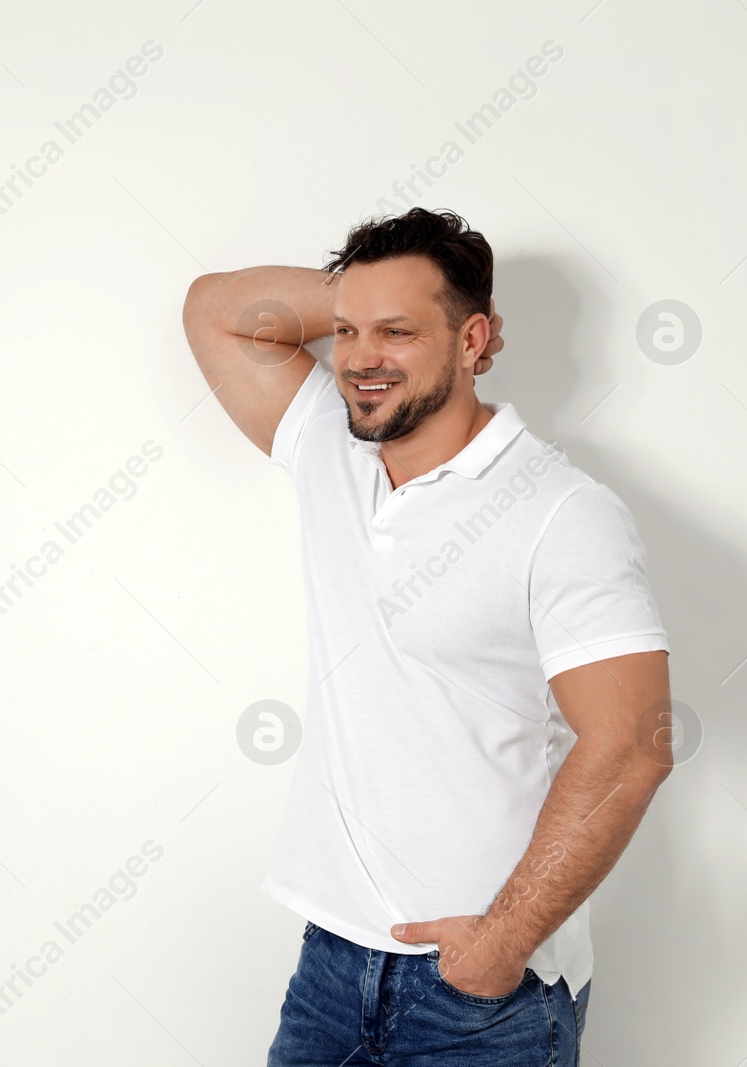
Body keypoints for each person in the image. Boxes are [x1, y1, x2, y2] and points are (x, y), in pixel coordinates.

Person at [180, 208, 673, 1065]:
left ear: (474, 339)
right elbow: (212, 310)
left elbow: (633, 744)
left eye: (399, 332)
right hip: (330, 964)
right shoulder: (330, 445)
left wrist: (497, 944)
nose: (361, 358)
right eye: (346, 333)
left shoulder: (563, 512)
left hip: (483, 996)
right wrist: (366, 300)